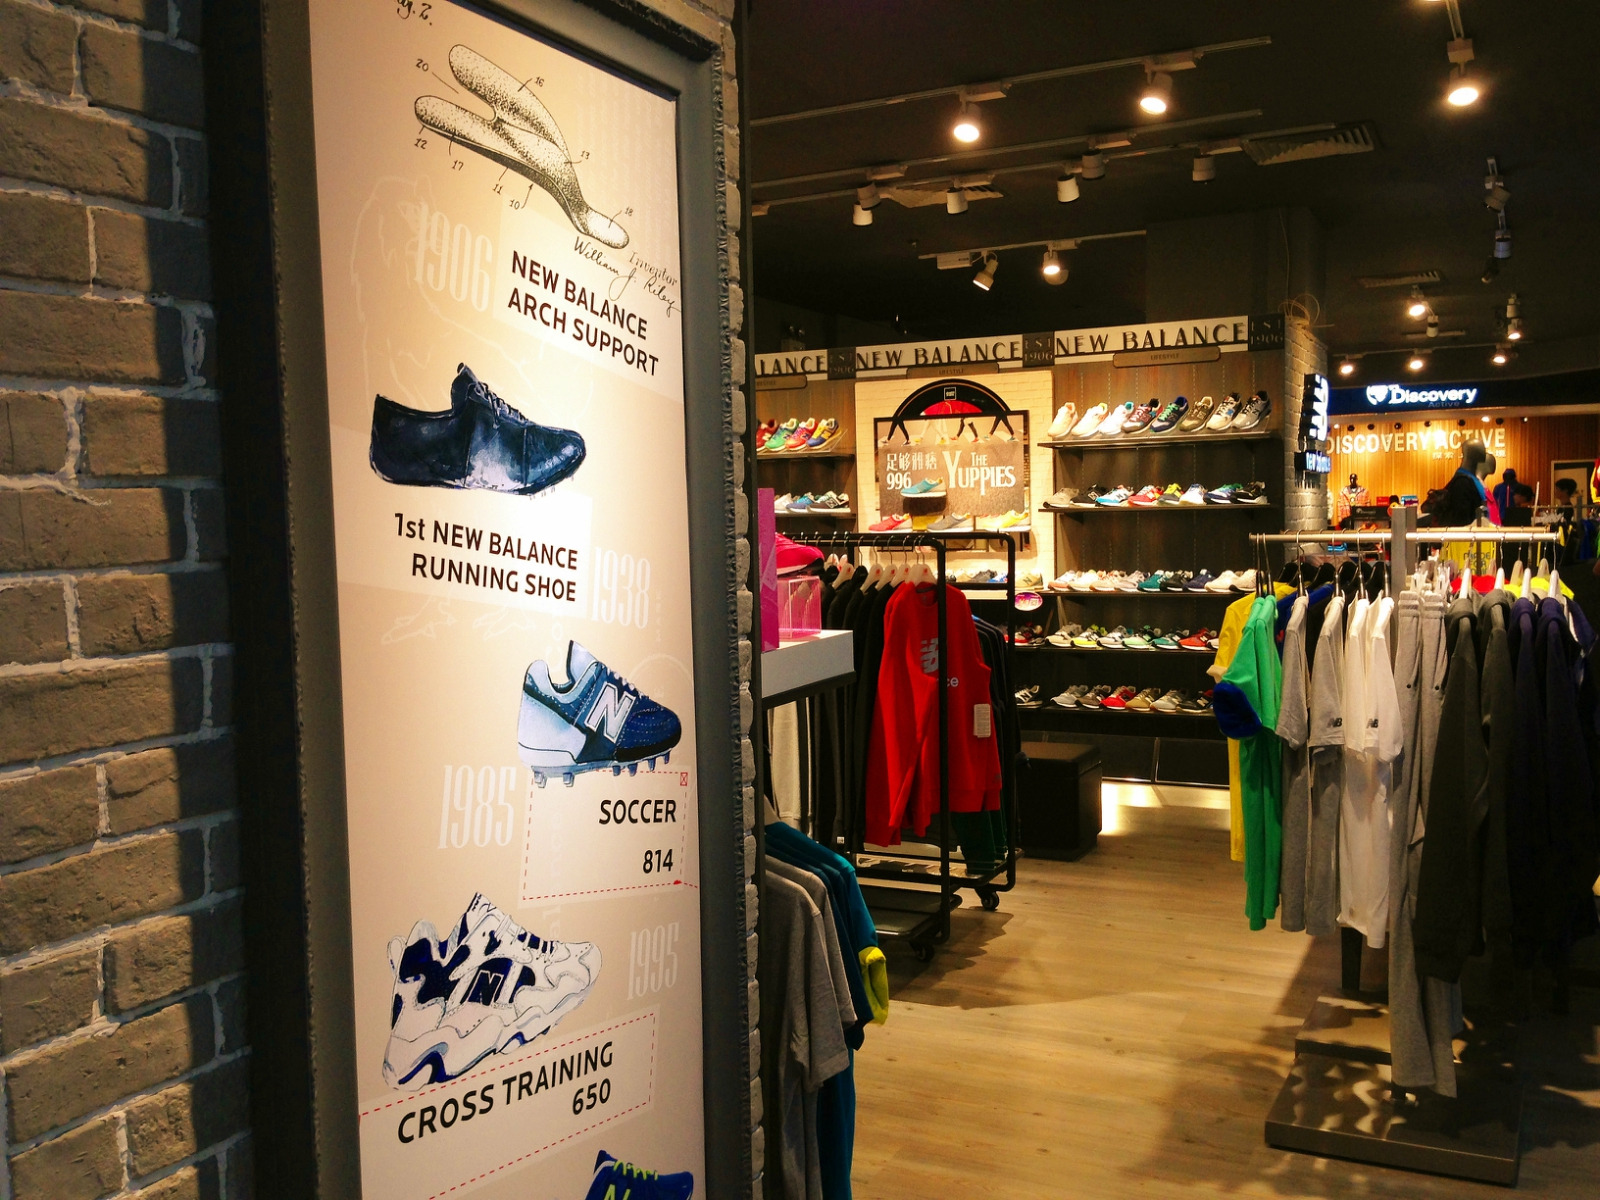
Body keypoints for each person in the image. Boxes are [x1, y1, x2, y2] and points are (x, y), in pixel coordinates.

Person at [1426, 442, 1495, 526]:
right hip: (1465, 532)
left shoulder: (1468, 481)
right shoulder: (1462, 483)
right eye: (1482, 452)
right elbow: (1461, 522)